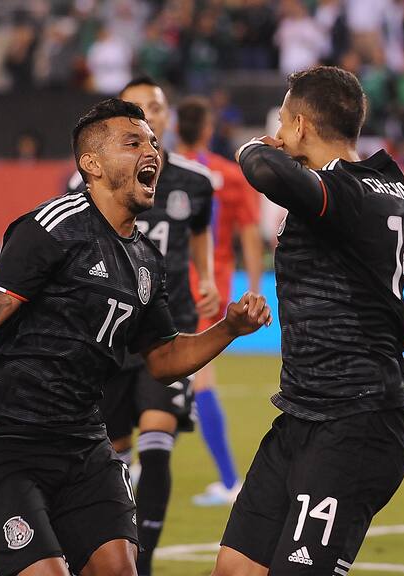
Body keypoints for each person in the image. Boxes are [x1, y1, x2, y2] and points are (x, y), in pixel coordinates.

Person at [0, 99, 271, 576]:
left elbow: (164, 358)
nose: (152, 150)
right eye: (133, 141)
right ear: (92, 164)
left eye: (152, 142)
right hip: (3, 438)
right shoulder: (54, 227)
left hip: (82, 440)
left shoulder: (145, 257)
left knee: (119, 569)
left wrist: (228, 328)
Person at [213, 65, 404, 576]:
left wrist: (249, 147)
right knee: (234, 569)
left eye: (283, 122)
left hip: (356, 421)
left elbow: (264, 171)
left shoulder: (347, 193)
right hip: (304, 413)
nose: (280, 134)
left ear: (300, 125)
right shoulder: (385, 183)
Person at [66, 77, 220, 576]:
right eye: (138, 109)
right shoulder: (85, 185)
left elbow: (200, 237)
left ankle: (144, 563)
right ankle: (115, 551)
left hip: (166, 329)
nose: (149, 115)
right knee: (111, 459)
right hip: (109, 335)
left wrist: (209, 281)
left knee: (158, 446)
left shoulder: (195, 182)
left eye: (156, 107)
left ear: (168, 117)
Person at [176, 96, 264, 506]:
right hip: (213, 287)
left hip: (164, 286)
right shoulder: (230, 175)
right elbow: (249, 234)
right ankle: (226, 479)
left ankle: (229, 480)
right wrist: (256, 285)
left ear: (177, 130)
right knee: (196, 376)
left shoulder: (164, 172)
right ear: (208, 130)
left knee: (154, 371)